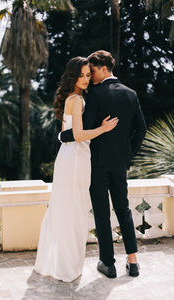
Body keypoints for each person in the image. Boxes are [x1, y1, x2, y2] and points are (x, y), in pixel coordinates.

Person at [59, 50, 147, 278]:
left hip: (96, 164)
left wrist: (63, 136)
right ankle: (133, 260)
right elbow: (142, 129)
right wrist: (128, 154)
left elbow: (82, 132)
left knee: (102, 212)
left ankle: (107, 264)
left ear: (104, 68)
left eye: (93, 71)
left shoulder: (95, 95)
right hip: (120, 163)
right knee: (123, 209)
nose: (90, 77)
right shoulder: (131, 94)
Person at [34, 56, 118, 282]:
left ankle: (65, 262)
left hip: (72, 156)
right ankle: (68, 266)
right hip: (75, 160)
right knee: (73, 210)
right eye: (81, 75)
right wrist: (103, 129)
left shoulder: (77, 98)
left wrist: (69, 136)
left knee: (70, 208)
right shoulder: (76, 100)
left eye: (88, 75)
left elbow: (65, 134)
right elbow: (79, 135)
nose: (85, 79)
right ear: (73, 75)